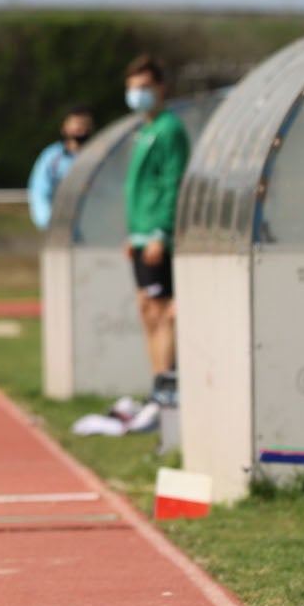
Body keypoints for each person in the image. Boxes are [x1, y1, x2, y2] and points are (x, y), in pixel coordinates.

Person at [121, 58, 190, 408]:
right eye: (133, 88)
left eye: (145, 87)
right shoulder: (144, 130)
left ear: (161, 88)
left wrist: (160, 233)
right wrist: (133, 234)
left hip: (157, 236)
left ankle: (165, 391)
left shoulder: (168, 129)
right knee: (147, 309)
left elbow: (171, 183)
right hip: (140, 236)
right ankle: (157, 387)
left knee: (162, 311)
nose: (138, 95)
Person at [27, 106, 97, 232]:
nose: (82, 131)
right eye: (77, 126)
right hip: (59, 230)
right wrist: (50, 222)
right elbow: (39, 192)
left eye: (86, 125)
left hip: (94, 229)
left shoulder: (100, 155)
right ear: (65, 127)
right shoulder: (52, 157)